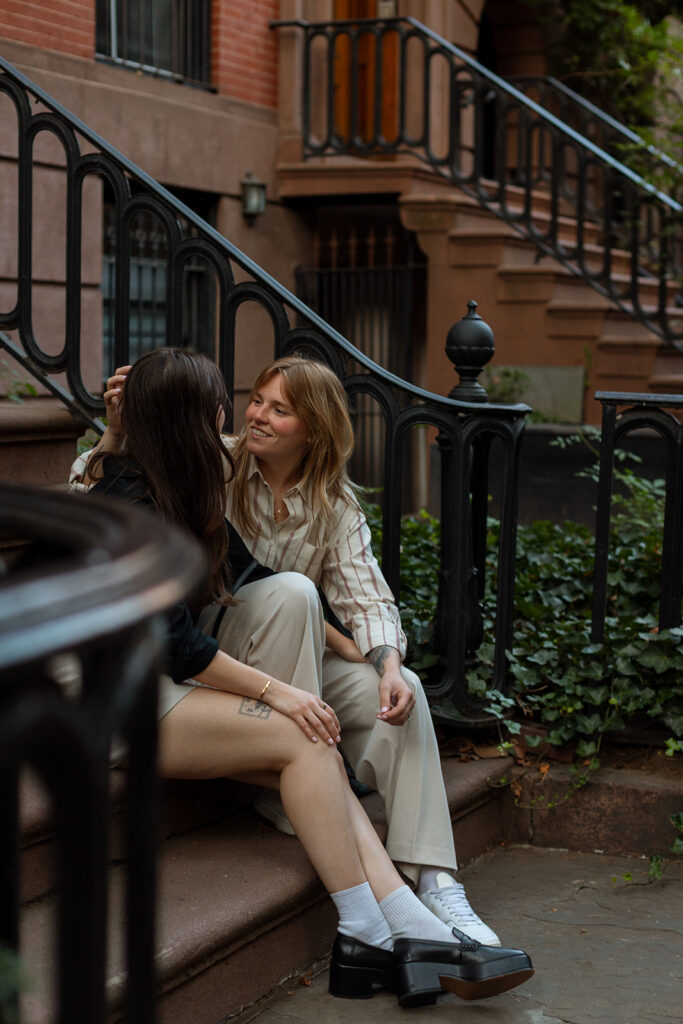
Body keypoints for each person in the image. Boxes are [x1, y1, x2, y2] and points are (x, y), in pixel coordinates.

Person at [70, 348, 533, 1006]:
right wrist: (278, 691)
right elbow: (172, 642)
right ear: (194, 420)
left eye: (271, 407)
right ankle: (387, 927)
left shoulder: (186, 480)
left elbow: (253, 575)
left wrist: (370, 656)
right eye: (225, 404)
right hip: (116, 704)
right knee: (305, 731)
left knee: (317, 719)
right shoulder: (137, 498)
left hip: (166, 681)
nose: (237, 414)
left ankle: (399, 919)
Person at [208, 354, 501, 946]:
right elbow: (102, 471)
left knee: (407, 691)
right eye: (257, 400)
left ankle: (435, 877)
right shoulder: (218, 463)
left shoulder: (334, 504)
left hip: (300, 677)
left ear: (312, 429)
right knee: (291, 593)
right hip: (222, 664)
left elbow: (367, 596)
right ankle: (293, 786)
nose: (258, 415)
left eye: (279, 409)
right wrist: (118, 426)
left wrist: (389, 665)